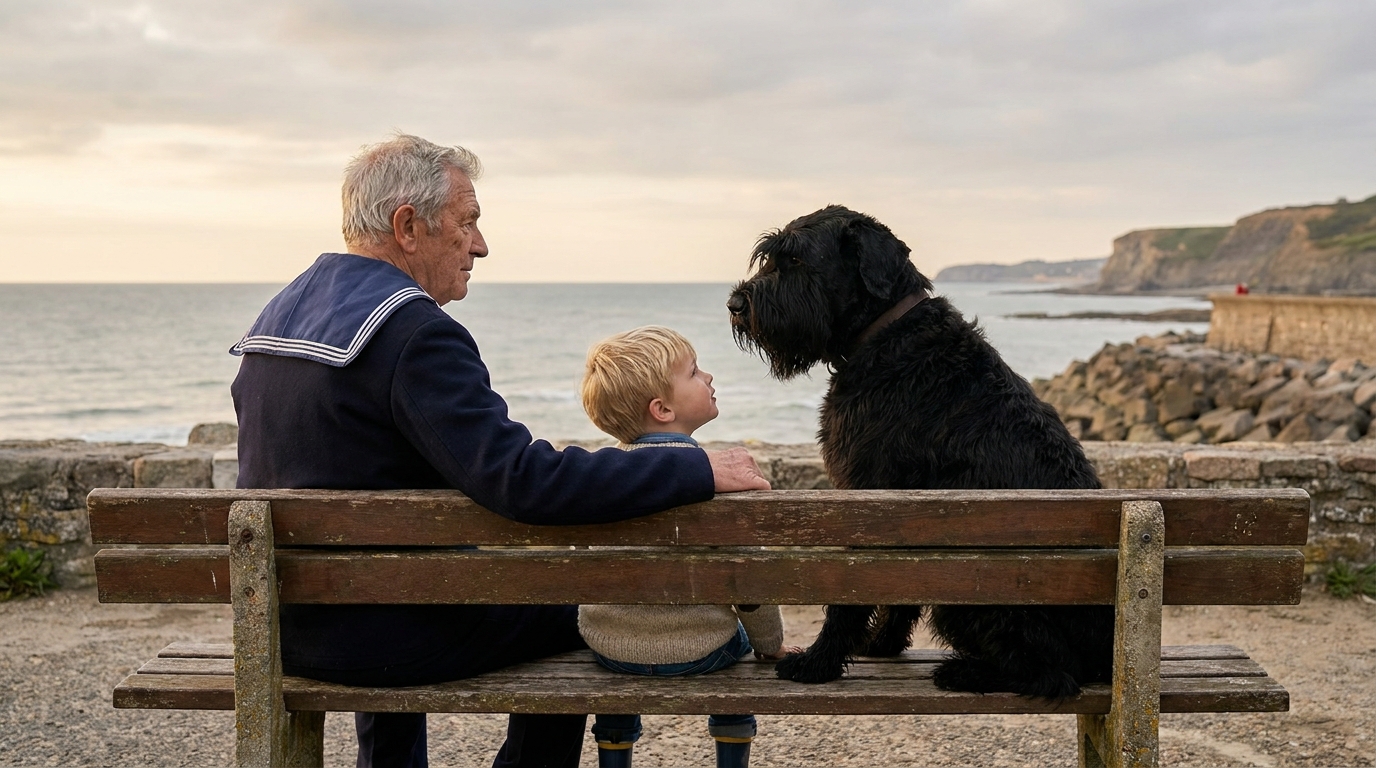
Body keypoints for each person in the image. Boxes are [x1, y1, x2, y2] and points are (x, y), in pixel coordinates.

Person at [229, 134, 770, 768]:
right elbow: (523, 482)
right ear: (408, 226)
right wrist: (692, 467)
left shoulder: (281, 312)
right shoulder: (415, 332)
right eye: (468, 224)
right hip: (386, 634)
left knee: (394, 575)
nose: (480, 245)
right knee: (575, 610)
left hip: (287, 626)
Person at [576, 327, 799, 768]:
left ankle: (614, 753)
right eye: (694, 372)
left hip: (612, 648)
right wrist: (770, 646)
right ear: (662, 409)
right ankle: (731, 755)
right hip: (702, 653)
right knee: (737, 642)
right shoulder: (720, 484)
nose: (709, 376)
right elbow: (749, 589)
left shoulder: (598, 484)